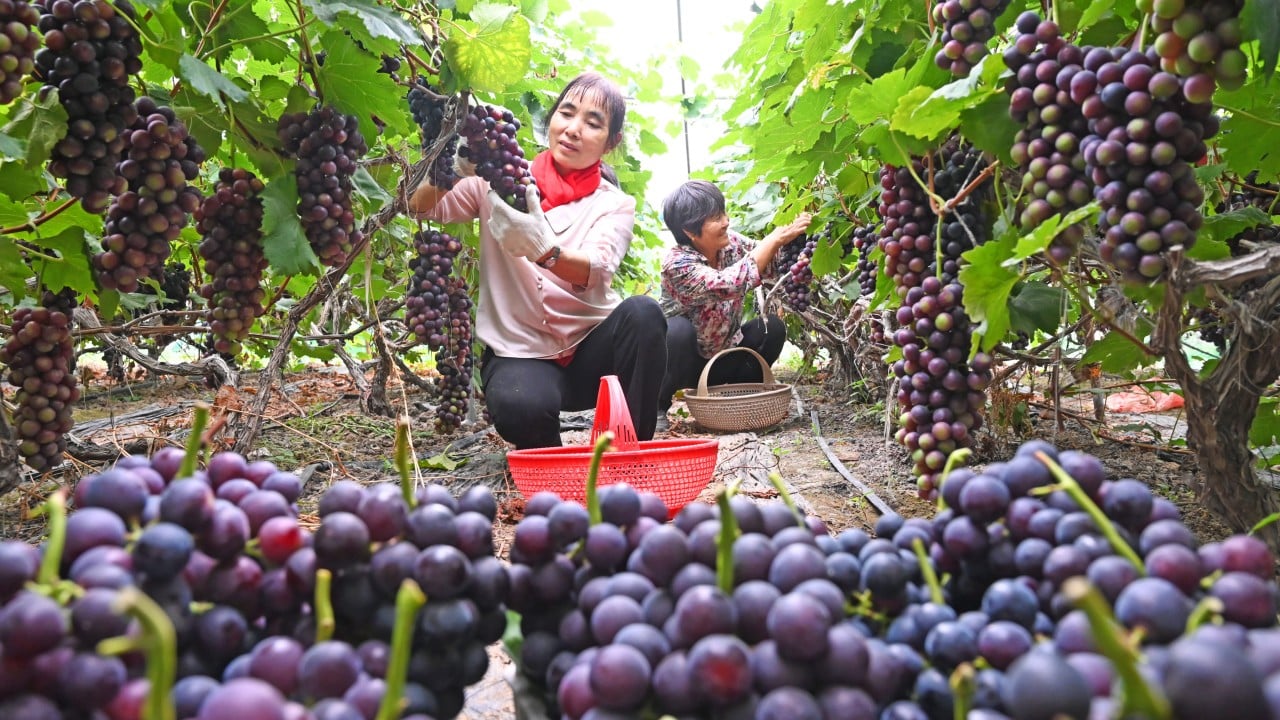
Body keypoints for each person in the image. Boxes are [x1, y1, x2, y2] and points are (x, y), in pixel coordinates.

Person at [407, 72, 667, 450]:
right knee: (519, 406)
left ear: (612, 142)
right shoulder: (496, 180)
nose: (573, 129)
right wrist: (455, 169)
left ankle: (628, 450)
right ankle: (551, 460)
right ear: (552, 119)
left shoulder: (614, 204)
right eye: (567, 113)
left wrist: (546, 250)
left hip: (591, 352)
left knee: (644, 315)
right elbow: (418, 207)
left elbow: (597, 267)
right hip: (520, 353)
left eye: (593, 123)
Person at [657, 180, 812, 414]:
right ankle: (661, 405)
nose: (726, 221)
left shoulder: (732, 245)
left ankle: (743, 396)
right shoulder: (677, 264)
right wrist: (774, 238)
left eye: (723, 213)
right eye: (716, 218)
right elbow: (730, 283)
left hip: (724, 357)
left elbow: (771, 263)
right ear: (690, 231)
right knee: (676, 331)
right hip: (687, 366)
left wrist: (806, 244)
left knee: (771, 328)